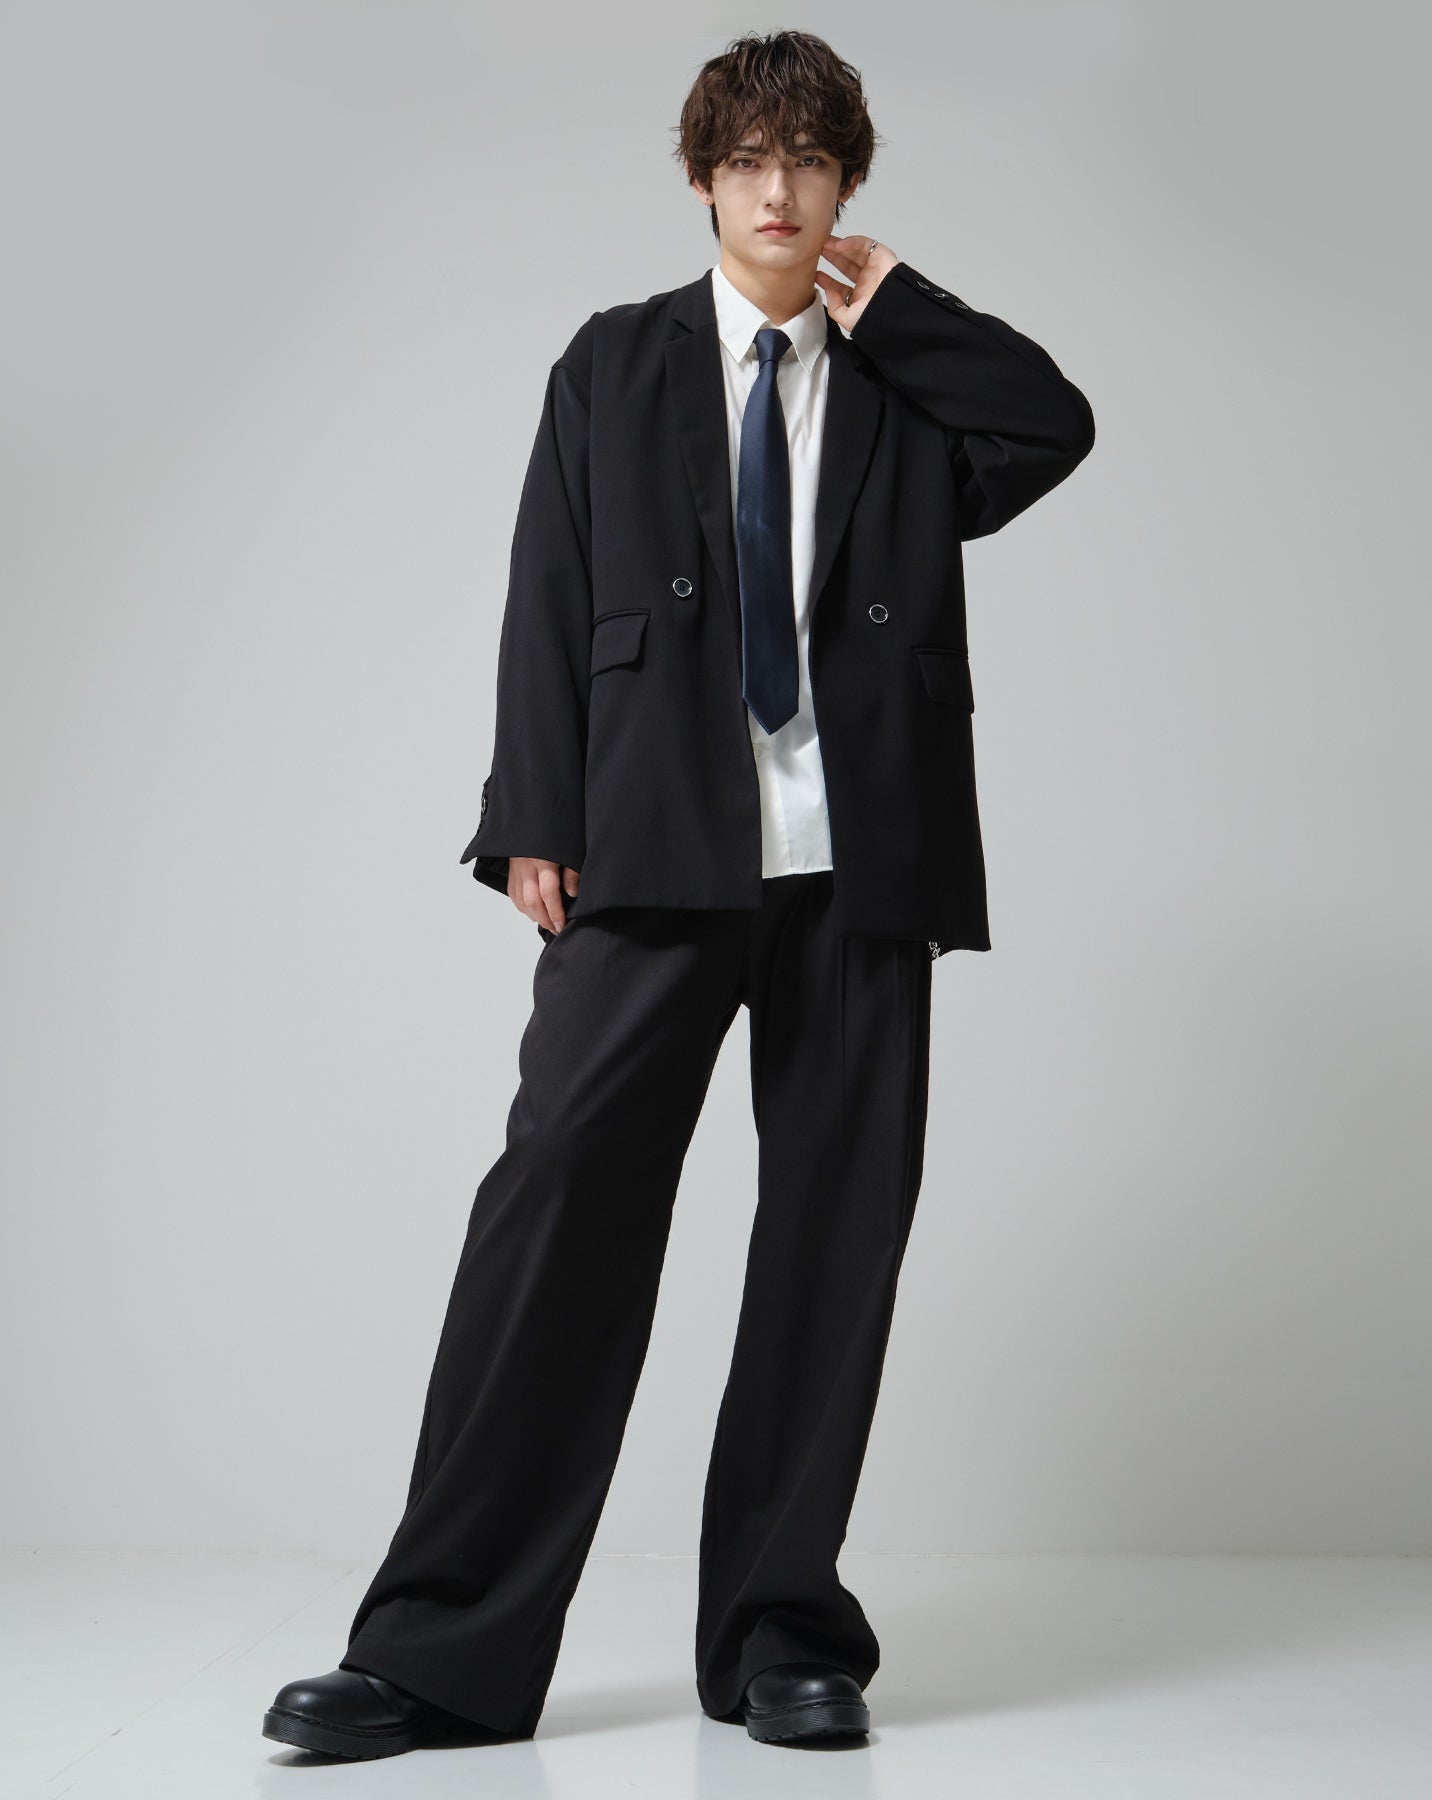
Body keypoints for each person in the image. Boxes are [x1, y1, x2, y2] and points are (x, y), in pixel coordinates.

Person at [262, 27, 1094, 1760]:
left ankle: (783, 1633)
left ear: (847, 183)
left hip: (861, 861)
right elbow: (546, 587)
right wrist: (530, 814)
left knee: (832, 1241)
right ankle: (438, 1652)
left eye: (811, 161)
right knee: (559, 1199)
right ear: (705, 178)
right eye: (750, 160)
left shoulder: (906, 386)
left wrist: (906, 312)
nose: (779, 190)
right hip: (650, 841)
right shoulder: (614, 364)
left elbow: (1054, 422)